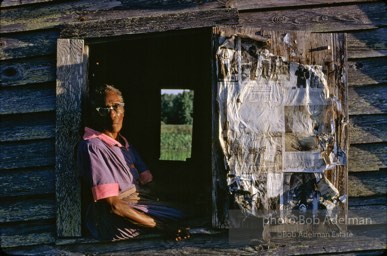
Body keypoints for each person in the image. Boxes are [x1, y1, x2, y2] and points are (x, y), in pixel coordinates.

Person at [77, 84, 189, 241]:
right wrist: (161, 227)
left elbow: (150, 184)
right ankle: (236, 236)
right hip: (114, 220)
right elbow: (113, 206)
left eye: (116, 107)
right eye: (104, 110)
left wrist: (188, 193)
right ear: (96, 115)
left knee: (192, 209)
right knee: (189, 216)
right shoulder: (93, 146)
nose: (112, 115)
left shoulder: (125, 145)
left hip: (137, 204)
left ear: (124, 110)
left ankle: (236, 237)